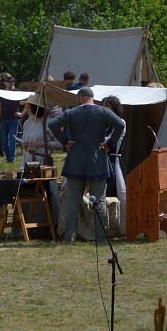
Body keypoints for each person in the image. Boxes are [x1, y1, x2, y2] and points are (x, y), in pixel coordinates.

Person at [48, 87, 126, 243]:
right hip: (97, 160)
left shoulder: (72, 112)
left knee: (73, 201)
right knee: (100, 201)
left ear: (81, 98)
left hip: (76, 161)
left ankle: (69, 237)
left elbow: (53, 124)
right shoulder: (103, 112)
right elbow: (120, 124)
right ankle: (101, 238)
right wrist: (110, 144)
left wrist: (65, 141)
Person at [102, 95, 128, 207]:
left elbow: (108, 143)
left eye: (107, 106)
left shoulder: (120, 123)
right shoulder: (104, 124)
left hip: (114, 160)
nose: (105, 109)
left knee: (121, 192)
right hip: (103, 160)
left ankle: (122, 222)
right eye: (103, 106)